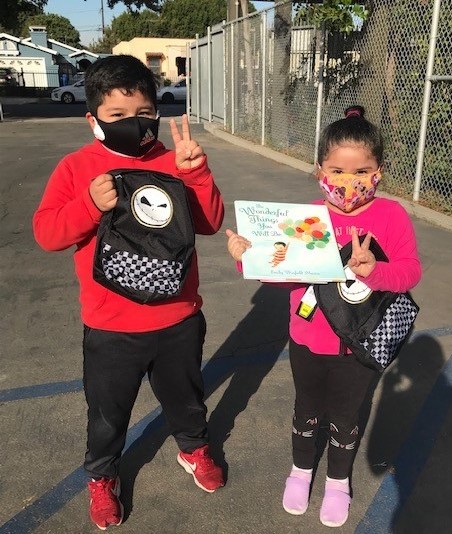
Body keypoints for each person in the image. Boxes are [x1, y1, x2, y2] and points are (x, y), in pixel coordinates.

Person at [33, 54, 225, 531]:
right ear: (93, 118)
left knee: (186, 398)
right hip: (111, 325)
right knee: (107, 414)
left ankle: (193, 448)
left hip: (179, 317)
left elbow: (209, 222)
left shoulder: (172, 159)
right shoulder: (77, 167)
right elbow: (47, 233)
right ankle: (102, 476)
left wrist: (196, 173)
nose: (132, 124)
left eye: (142, 114)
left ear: (155, 113)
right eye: (117, 115)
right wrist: (87, 205)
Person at [226, 105, 422, 528]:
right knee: (306, 408)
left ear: (378, 172)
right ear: (319, 170)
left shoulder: (391, 216)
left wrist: (376, 270)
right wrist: (249, 260)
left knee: (346, 415)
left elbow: (411, 271)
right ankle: (300, 470)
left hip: (362, 340)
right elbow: (284, 275)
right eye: (336, 171)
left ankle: (337, 481)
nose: (348, 183)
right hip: (307, 336)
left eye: (360, 172)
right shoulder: (307, 219)